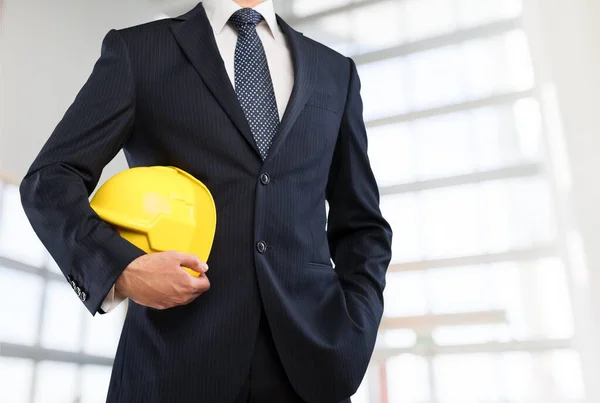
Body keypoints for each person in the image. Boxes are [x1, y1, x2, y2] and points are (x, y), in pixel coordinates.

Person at [20, 0, 393, 402]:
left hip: (311, 367)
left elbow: (362, 225)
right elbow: (49, 179)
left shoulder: (335, 71)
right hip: (173, 364)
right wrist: (122, 270)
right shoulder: (139, 51)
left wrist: (356, 327)